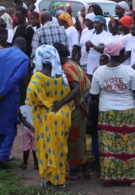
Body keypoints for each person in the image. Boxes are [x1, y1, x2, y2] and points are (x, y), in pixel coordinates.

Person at [89, 41, 135, 185]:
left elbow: (94, 94)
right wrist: (128, 99)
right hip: (127, 111)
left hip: (106, 112)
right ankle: (130, 178)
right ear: (122, 53)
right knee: (128, 145)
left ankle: (109, 177)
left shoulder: (99, 71)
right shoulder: (129, 71)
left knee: (108, 146)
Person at [26, 45, 71, 188]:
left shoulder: (38, 76)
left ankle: (53, 180)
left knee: (48, 148)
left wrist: (43, 102)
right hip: (62, 115)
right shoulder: (60, 74)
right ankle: (60, 180)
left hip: (46, 116)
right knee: (60, 148)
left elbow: (31, 95)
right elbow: (66, 92)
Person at [0, 36, 29, 169]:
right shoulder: (24, 58)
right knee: (10, 127)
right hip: (9, 96)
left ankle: (2, 155)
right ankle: (3, 155)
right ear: (24, 46)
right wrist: (3, 93)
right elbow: (15, 78)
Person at [54, 42, 90, 180]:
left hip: (73, 110)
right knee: (80, 140)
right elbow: (88, 86)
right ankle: (85, 170)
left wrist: (62, 102)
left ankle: (74, 170)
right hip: (79, 108)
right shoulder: (74, 64)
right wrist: (83, 101)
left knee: (72, 140)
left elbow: (75, 88)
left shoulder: (66, 68)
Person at [18, 104, 37, 170]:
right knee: (35, 148)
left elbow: (22, 119)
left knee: (26, 147)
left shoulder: (22, 108)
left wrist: (29, 126)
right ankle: (36, 164)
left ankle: (25, 163)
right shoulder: (37, 107)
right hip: (36, 130)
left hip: (26, 129)